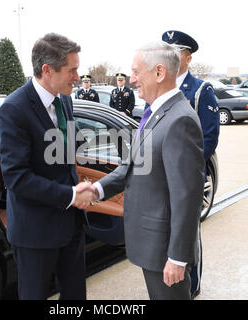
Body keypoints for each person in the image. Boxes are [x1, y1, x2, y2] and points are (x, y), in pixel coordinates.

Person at [85, 41, 205, 300]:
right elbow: (133, 165)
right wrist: (97, 188)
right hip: (152, 247)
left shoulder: (179, 120)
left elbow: (187, 197)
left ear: (159, 73)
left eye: (137, 71)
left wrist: (178, 257)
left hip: (164, 252)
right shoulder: (155, 112)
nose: (132, 79)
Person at [0, 33, 94, 300]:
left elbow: (66, 156)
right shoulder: (14, 109)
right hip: (35, 233)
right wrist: (72, 195)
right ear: (47, 70)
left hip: (72, 227)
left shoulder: (65, 100)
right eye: (72, 70)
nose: (77, 76)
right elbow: (16, 177)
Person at [162, 30, 220, 299]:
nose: (169, 57)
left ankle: (192, 283)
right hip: (162, 175)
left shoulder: (199, 90)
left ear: (187, 57)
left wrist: (188, 170)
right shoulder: (163, 86)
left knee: (188, 229)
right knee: (167, 228)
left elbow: (209, 137)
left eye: (175, 52)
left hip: (188, 176)